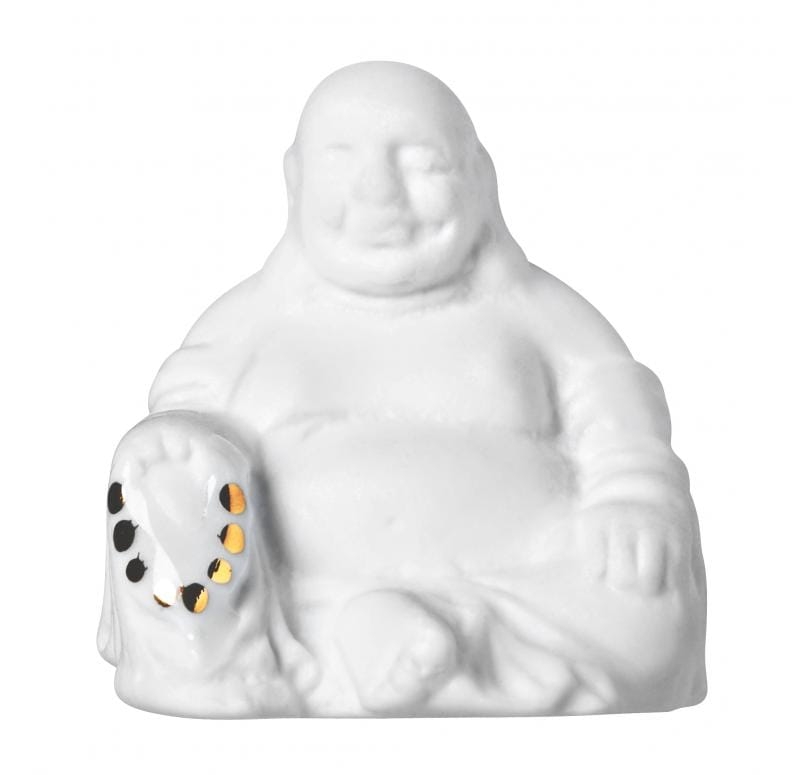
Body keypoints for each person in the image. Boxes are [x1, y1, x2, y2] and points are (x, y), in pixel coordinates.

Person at [103, 61, 706, 716]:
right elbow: (179, 436)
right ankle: (252, 649)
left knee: (650, 601)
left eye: (423, 163)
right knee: (167, 475)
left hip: (528, 589)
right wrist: (179, 447)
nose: (379, 193)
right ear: (294, 179)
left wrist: (633, 497)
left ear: (479, 178)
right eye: (341, 159)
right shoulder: (246, 324)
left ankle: (395, 637)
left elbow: (618, 411)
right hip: (296, 587)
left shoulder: (538, 312)